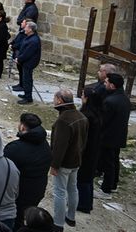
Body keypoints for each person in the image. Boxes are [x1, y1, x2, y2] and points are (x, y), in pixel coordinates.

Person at [4, 113, 52, 229]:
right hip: (38, 189)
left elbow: (4, 170)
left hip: (20, 192)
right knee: (27, 216)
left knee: (17, 219)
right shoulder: (44, 144)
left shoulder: (15, 149)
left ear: (23, 127)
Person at [49, 89, 88, 230]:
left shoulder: (63, 120)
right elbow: (84, 140)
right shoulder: (81, 116)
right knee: (73, 189)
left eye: (55, 98)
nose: (53, 101)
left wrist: (54, 165)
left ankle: (58, 223)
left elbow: (60, 146)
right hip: (76, 160)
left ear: (60, 100)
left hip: (64, 163)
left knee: (59, 192)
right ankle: (71, 217)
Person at [97, 73, 131, 198]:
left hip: (108, 137)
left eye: (106, 82)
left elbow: (103, 121)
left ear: (112, 85)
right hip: (119, 136)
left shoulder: (110, 101)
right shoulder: (125, 98)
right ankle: (113, 184)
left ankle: (106, 190)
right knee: (114, 161)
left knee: (108, 163)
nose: (104, 84)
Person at [77, 86, 102, 214]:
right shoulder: (97, 112)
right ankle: (84, 202)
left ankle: (84, 204)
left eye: (83, 95)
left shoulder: (87, 116)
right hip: (94, 150)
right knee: (87, 179)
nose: (81, 97)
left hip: (86, 152)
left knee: (83, 179)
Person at [16, 21, 41, 104]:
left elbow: (27, 53)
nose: (24, 28)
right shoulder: (30, 37)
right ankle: (26, 94)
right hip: (27, 62)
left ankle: (28, 97)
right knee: (25, 78)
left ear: (30, 29)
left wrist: (19, 59)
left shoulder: (33, 40)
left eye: (26, 27)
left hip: (29, 63)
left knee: (27, 79)